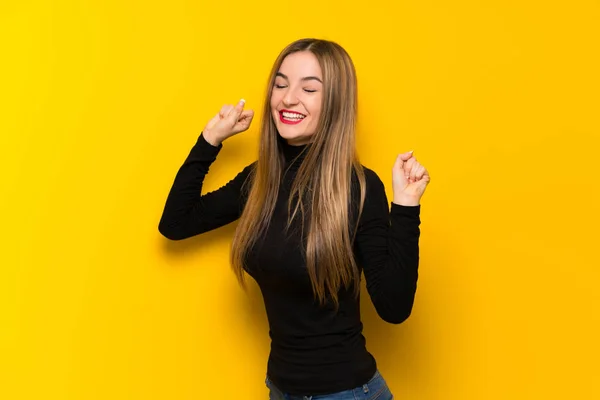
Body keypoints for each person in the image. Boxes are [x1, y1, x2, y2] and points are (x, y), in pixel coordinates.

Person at [158, 38, 430, 400]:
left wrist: (407, 207)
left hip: (348, 393)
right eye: (281, 83)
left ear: (335, 102)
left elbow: (394, 308)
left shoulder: (359, 187)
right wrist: (210, 139)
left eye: (309, 88)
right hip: (281, 390)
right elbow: (175, 223)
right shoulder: (260, 181)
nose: (288, 98)